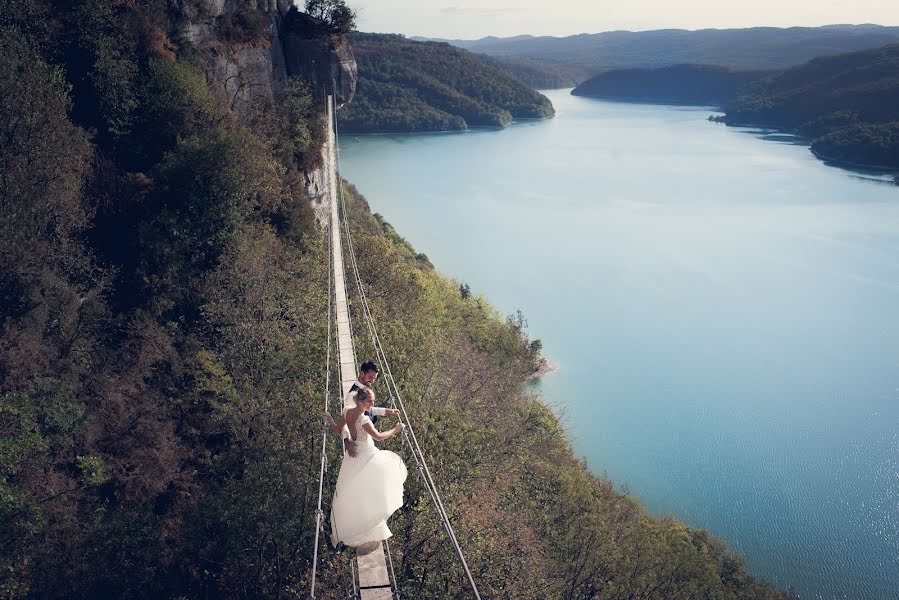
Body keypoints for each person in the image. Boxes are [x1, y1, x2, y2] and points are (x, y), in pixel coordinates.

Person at [326, 387, 407, 547]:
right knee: (387, 473)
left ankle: (360, 523)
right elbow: (378, 437)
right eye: (369, 401)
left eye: (373, 401)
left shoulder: (348, 411)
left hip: (353, 455)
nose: (372, 403)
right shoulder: (364, 420)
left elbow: (337, 428)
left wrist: (329, 419)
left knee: (354, 490)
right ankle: (368, 523)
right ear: (361, 401)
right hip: (367, 453)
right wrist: (396, 429)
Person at [341, 361, 399, 457]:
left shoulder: (363, 390)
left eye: (374, 378)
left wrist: (386, 410)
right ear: (362, 373)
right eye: (370, 377)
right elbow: (346, 419)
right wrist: (346, 441)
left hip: (367, 439)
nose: (372, 381)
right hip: (358, 447)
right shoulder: (353, 396)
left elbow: (363, 408)